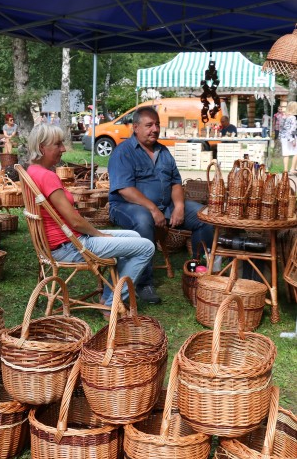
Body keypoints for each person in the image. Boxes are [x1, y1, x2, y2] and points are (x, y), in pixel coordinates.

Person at [26, 123, 155, 317]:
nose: (63, 149)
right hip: (71, 246)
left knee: (134, 235)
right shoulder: (47, 177)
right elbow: (75, 221)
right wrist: (99, 234)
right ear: (42, 148)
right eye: (58, 144)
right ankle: (113, 303)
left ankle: (108, 296)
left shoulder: (32, 171)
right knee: (147, 247)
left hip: (60, 244)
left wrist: (99, 235)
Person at [107, 106, 213, 304]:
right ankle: (143, 283)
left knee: (204, 215)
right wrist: (153, 209)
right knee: (143, 219)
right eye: (149, 125)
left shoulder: (163, 152)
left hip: (165, 207)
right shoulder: (124, 152)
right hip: (125, 207)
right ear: (136, 128)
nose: (154, 129)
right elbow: (125, 190)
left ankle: (197, 271)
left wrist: (179, 206)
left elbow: (175, 182)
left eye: (157, 125)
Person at [279, 100, 297, 175]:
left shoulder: (283, 116)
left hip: (283, 137)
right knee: (296, 152)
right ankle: (292, 169)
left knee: (285, 153)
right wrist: (293, 139)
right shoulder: (293, 117)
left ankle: (285, 171)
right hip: (290, 136)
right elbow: (293, 129)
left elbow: (281, 127)